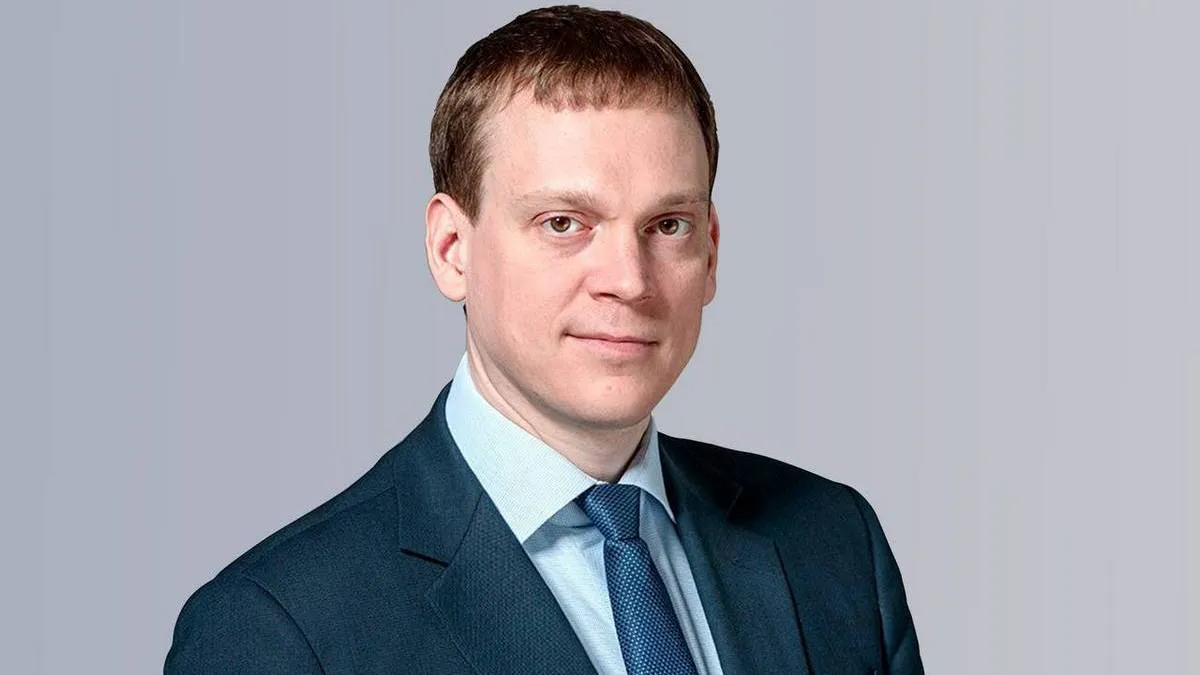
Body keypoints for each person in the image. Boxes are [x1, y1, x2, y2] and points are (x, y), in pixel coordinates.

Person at [165, 6, 923, 674]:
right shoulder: (278, 631)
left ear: (712, 253)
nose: (628, 279)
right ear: (451, 250)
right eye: (564, 223)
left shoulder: (833, 543)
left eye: (668, 226)